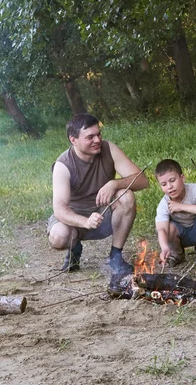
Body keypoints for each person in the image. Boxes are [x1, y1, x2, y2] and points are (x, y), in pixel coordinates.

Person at [47, 114, 149, 274]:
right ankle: (74, 247)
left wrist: (115, 183)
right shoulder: (63, 165)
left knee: (126, 195)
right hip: (74, 219)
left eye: (98, 134)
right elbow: (60, 209)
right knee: (59, 237)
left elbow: (142, 180)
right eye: (90, 137)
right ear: (73, 140)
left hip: (104, 214)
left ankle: (115, 256)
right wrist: (85, 221)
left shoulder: (109, 149)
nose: (97, 140)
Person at [154, 159, 196, 268]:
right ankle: (177, 253)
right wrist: (164, 247)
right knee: (167, 228)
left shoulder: (195, 189)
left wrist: (181, 206)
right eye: (164, 184)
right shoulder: (164, 204)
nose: (169, 186)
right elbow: (162, 229)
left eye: (172, 180)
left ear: (182, 178)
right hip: (179, 236)